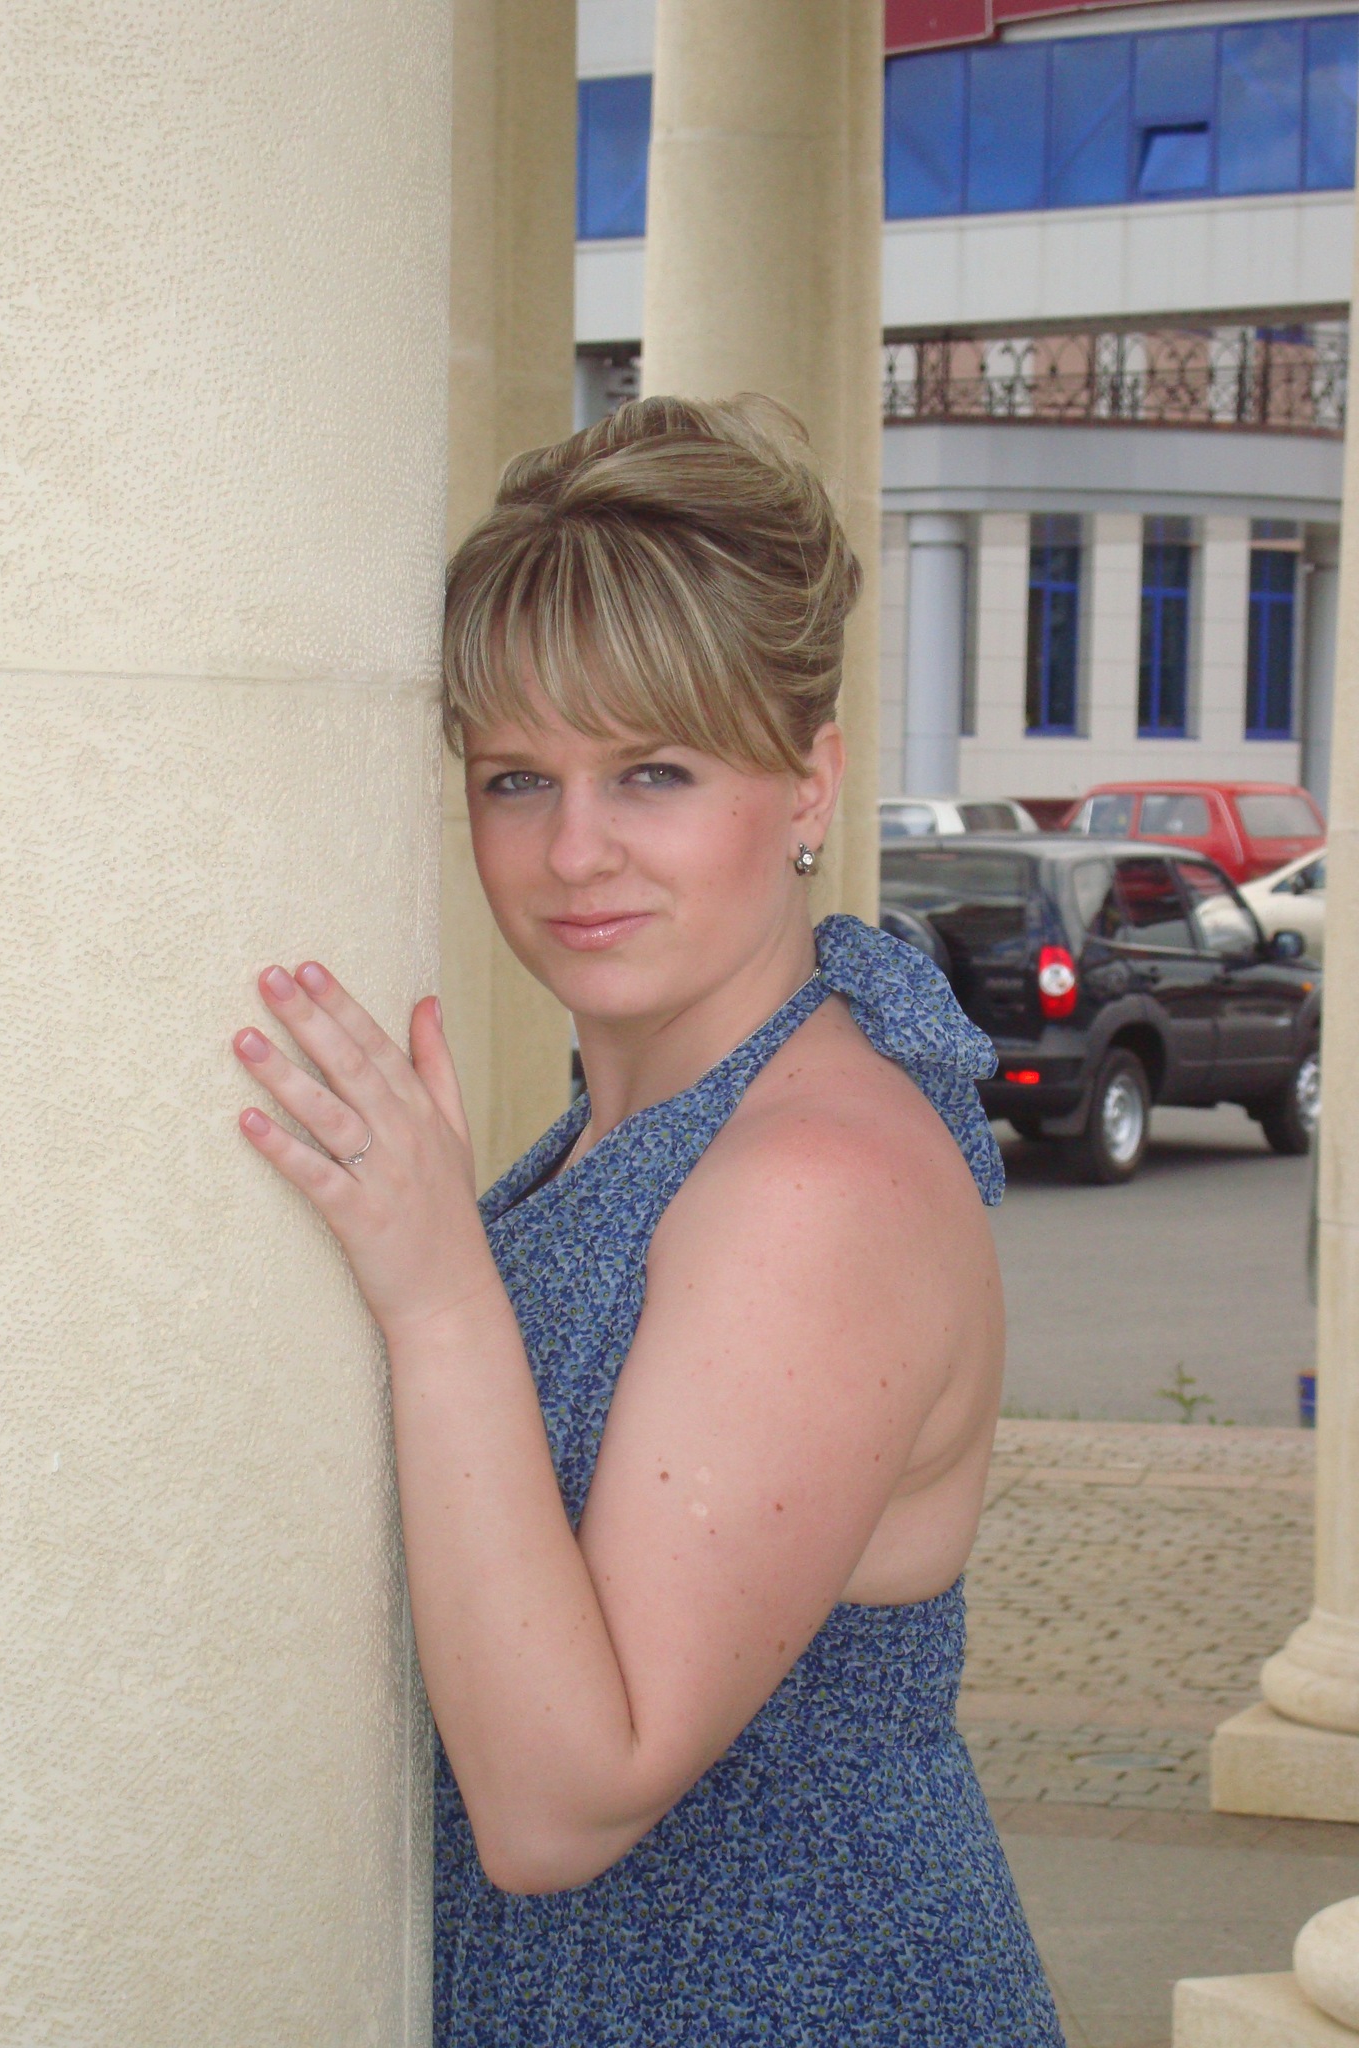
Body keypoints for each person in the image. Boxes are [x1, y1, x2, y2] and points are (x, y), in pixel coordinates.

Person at [232, 395, 1063, 2044]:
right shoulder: (670, 1122)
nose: (573, 851)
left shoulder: (813, 1185)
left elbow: (562, 1804)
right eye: (516, 778)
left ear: (810, 781)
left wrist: (440, 1295)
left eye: (654, 773)